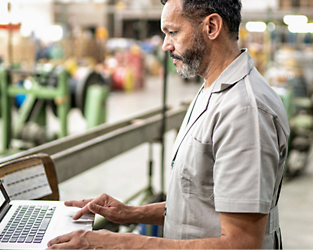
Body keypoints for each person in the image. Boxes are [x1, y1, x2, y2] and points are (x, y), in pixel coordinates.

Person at [47, 0, 289, 249]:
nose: (165, 45)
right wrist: (131, 213)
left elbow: (241, 243)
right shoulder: (212, 88)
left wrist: (120, 243)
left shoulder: (244, 111)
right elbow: (200, 202)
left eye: (173, 32)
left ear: (212, 27)